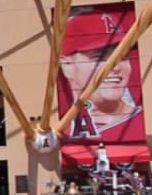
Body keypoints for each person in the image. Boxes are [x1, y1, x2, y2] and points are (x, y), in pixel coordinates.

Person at [59, 8, 143, 142]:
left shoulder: (142, 121)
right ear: (67, 65)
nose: (115, 67)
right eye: (100, 58)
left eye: (123, 56)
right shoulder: (59, 128)